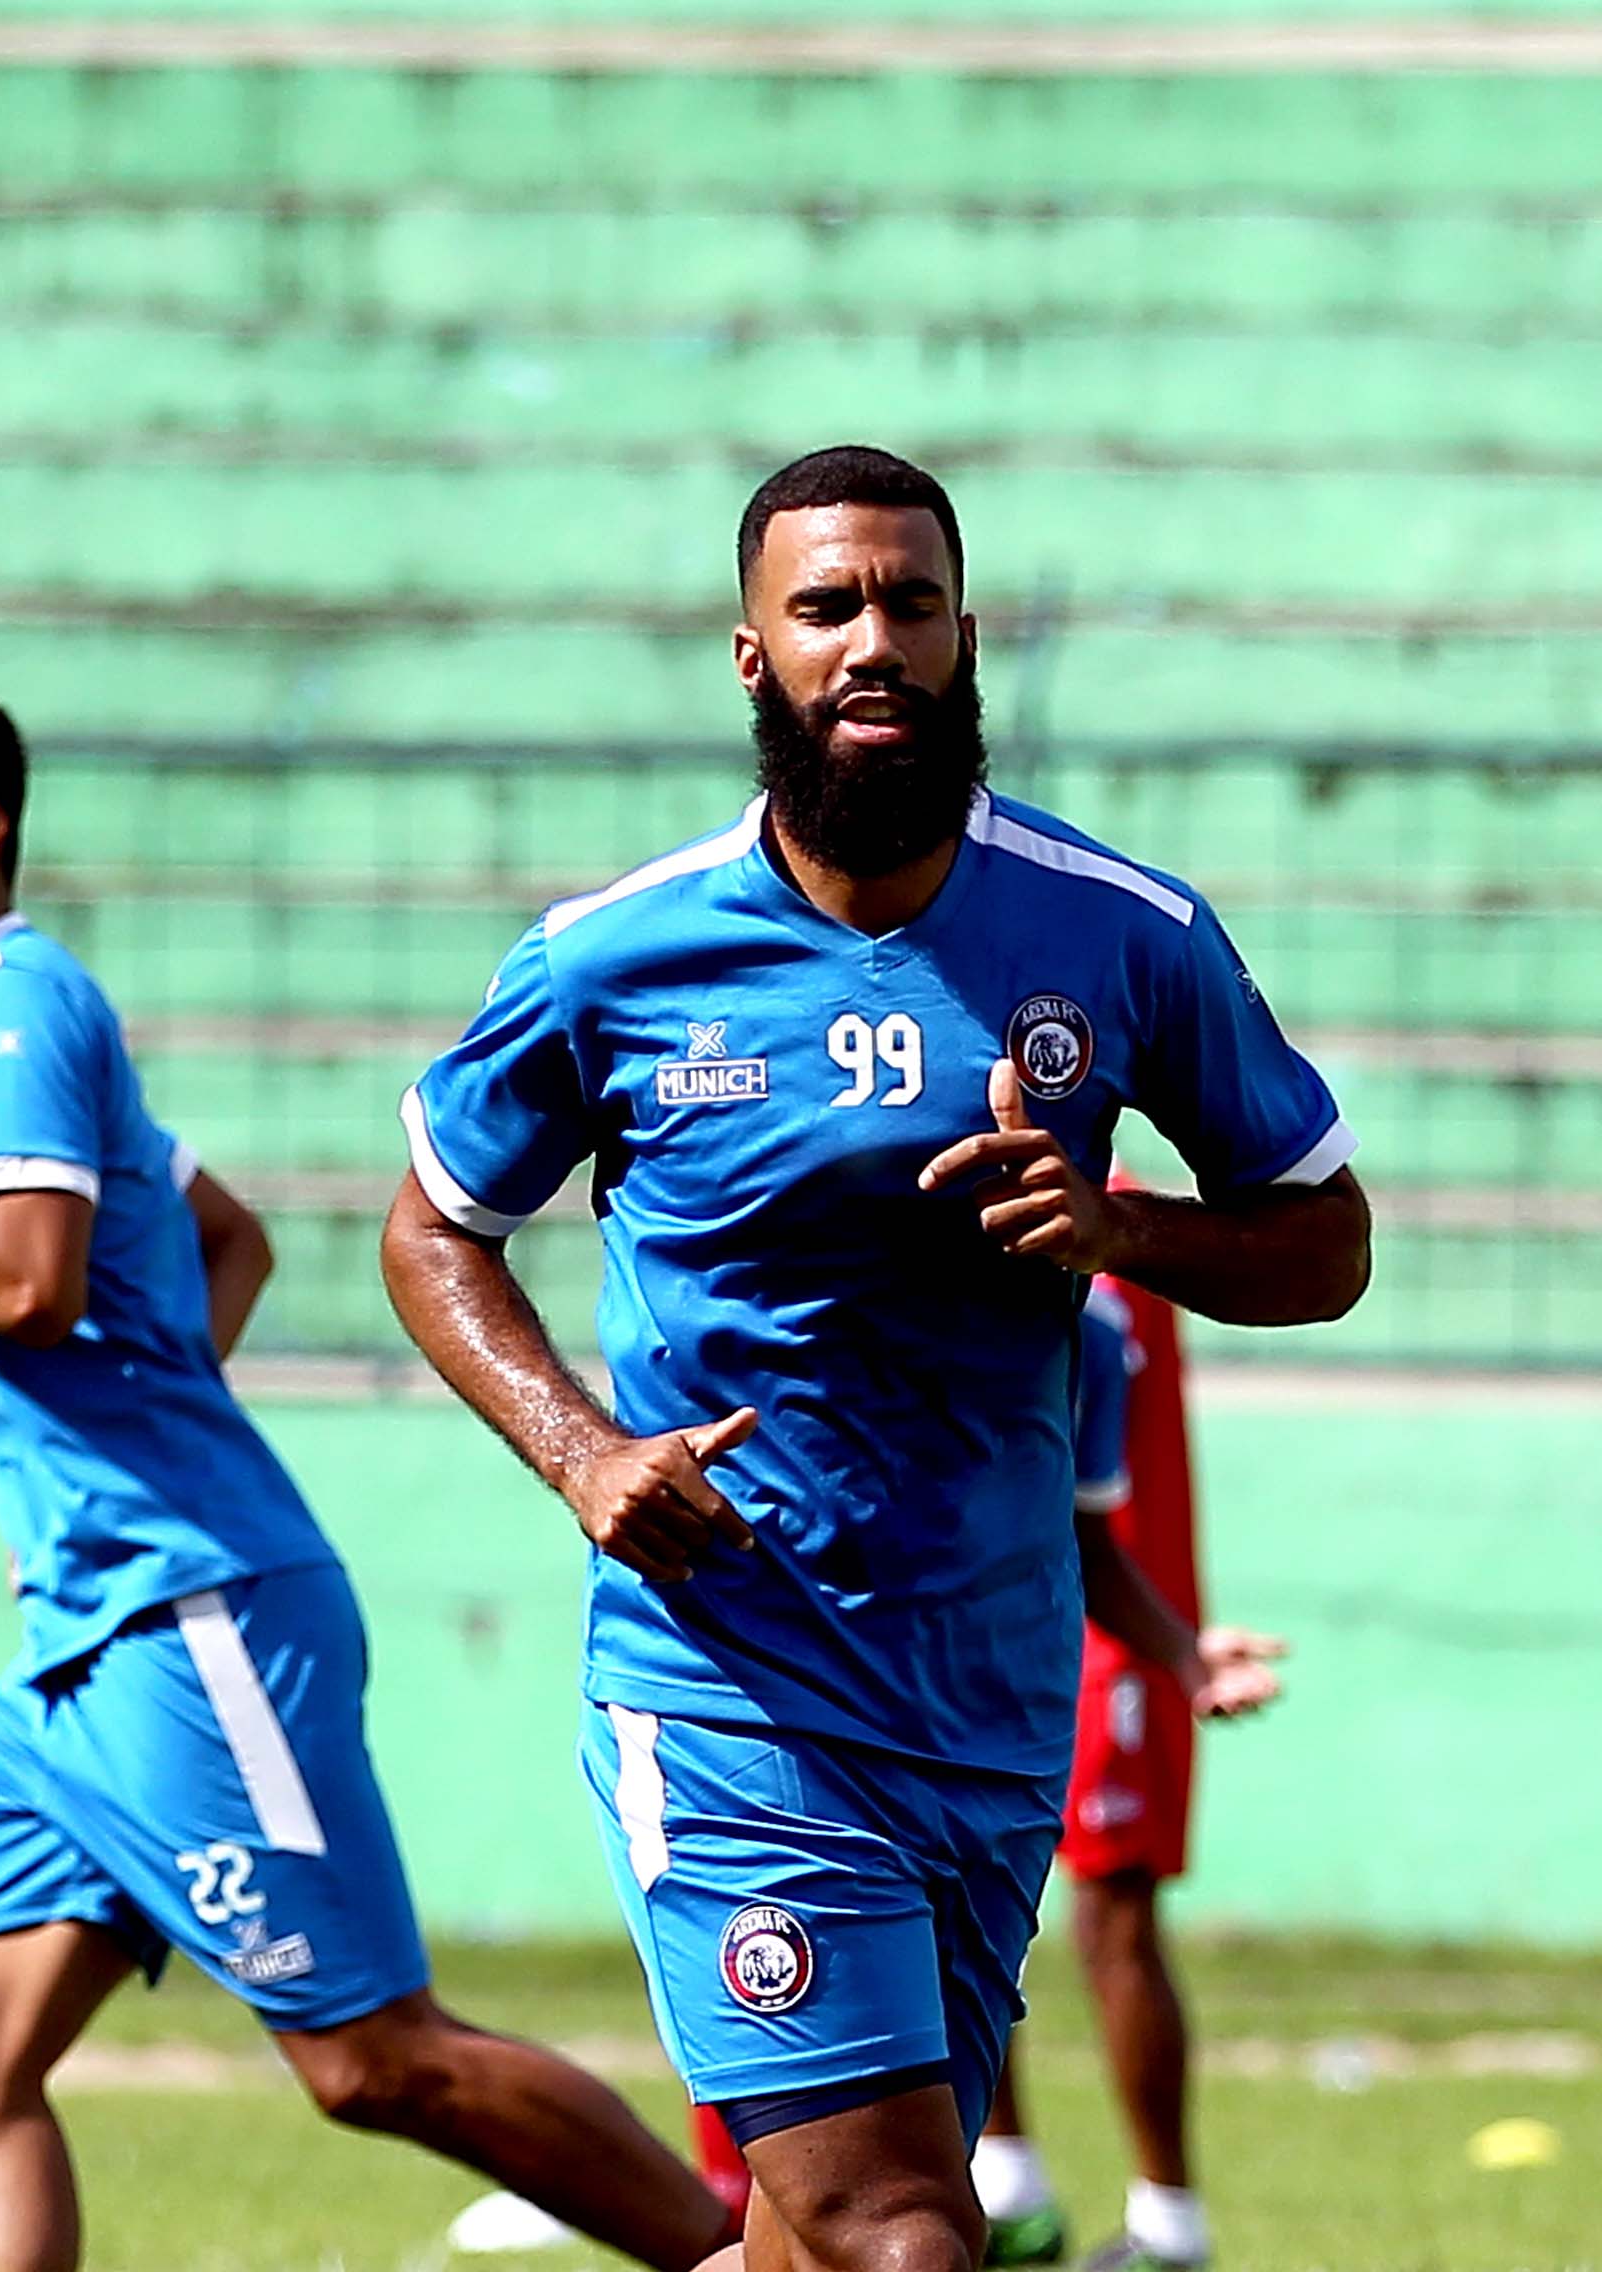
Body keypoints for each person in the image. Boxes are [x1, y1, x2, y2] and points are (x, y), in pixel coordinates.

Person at [382, 446, 1371, 2272]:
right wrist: (583, 1451)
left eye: (911, 601)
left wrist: (1121, 1227)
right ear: (752, 651)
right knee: (911, 2229)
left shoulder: (1121, 932)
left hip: (988, 1693)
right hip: (732, 1671)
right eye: (828, 604)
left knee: (811, 2234)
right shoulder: (612, 956)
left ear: (966, 632)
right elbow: (433, 1224)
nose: (875, 640)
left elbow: (1326, 1237)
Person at [0, 681, 744, 2272]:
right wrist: (115, 1456)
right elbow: (223, 1233)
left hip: (193, 1617)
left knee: (371, 2059)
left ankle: (738, 2253)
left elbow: (30, 1279)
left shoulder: (18, 1001)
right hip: (84, 1636)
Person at [967, 1278, 1284, 2271]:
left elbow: (1096, 1493)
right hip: (979, 1620)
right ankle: (1004, 2186)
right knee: (953, 1897)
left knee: (1112, 1910)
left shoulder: (1109, 1238)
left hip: (1104, 1627)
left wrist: (1175, 1646)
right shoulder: (953, 1196)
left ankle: (1169, 2225)